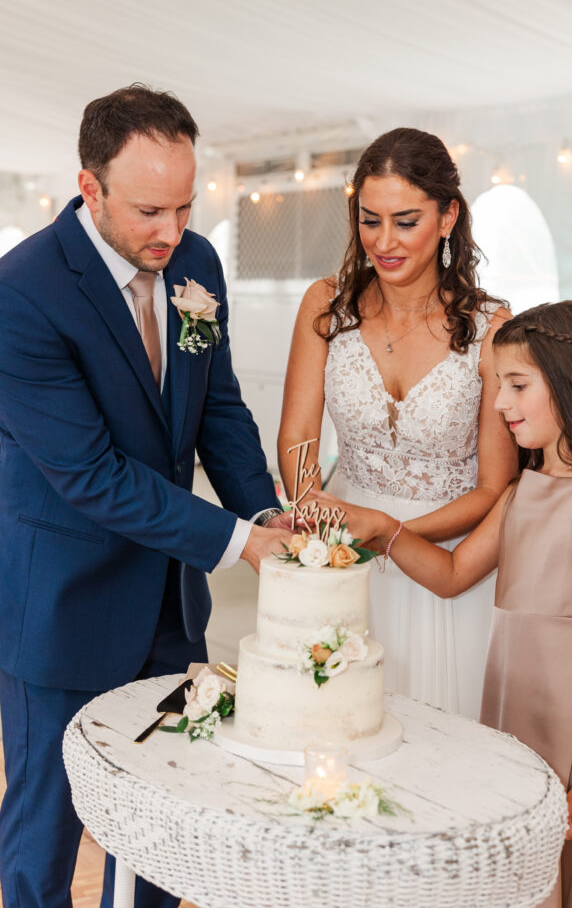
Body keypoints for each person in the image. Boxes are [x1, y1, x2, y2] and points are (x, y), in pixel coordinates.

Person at [0, 84, 291, 908]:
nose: (172, 231)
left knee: (164, 821)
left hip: (168, 598)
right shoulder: (19, 294)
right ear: (89, 188)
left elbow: (218, 407)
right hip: (58, 607)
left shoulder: (194, 263)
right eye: (149, 210)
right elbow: (90, 473)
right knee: (45, 830)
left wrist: (262, 509)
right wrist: (240, 543)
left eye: (185, 205)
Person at [315, 300, 572, 907]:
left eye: (516, 385)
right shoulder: (523, 491)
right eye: (496, 385)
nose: (500, 403)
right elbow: (452, 573)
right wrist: (381, 527)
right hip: (516, 708)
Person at [279, 127, 517, 717]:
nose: (383, 242)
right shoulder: (324, 306)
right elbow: (298, 437)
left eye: (405, 221)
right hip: (340, 552)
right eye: (369, 219)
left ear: (447, 217)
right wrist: (321, 517)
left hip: (449, 558)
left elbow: (495, 486)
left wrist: (394, 533)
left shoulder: (491, 326)